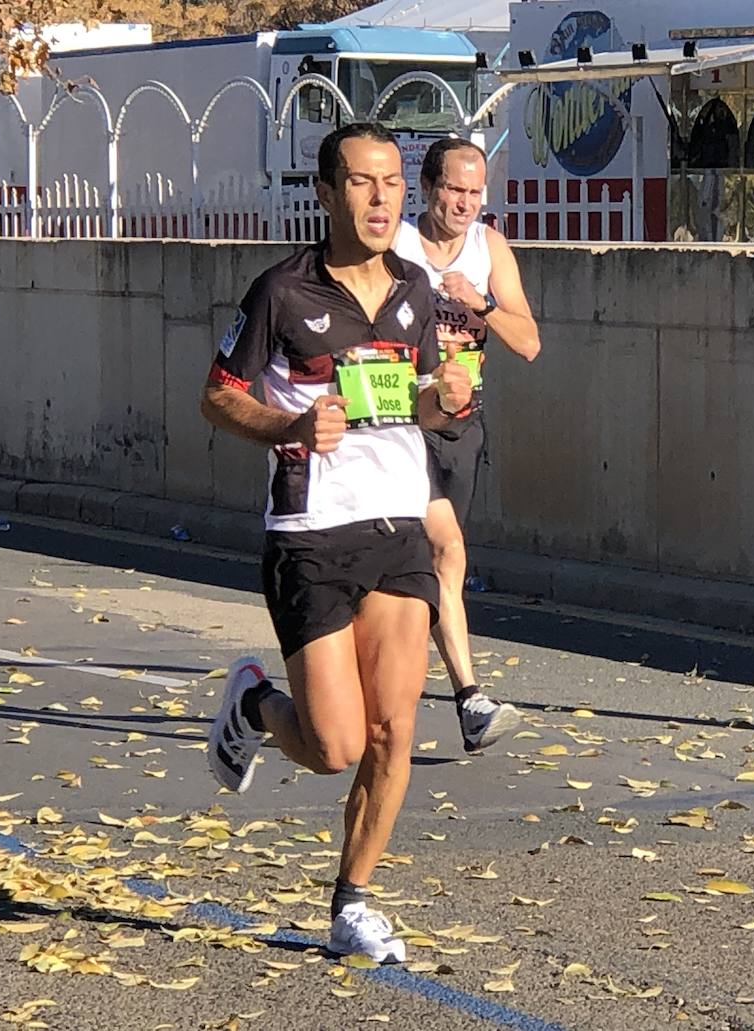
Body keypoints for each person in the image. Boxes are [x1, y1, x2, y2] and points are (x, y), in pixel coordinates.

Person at [200, 122, 473, 963]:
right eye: (362, 182)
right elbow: (218, 396)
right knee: (335, 745)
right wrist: (290, 422)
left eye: (392, 181)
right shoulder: (281, 293)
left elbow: (420, 402)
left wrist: (448, 395)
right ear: (325, 194)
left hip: (395, 523)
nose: (383, 196)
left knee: (394, 731)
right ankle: (252, 705)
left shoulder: (417, 294)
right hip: (311, 530)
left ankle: (351, 900)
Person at [391, 136, 541, 753]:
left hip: (460, 423)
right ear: (428, 187)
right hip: (397, 423)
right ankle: (469, 696)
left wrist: (477, 304)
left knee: (428, 568)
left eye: (475, 192)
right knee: (445, 551)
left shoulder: (488, 248)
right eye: (454, 189)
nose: (464, 203)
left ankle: (363, 682)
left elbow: (529, 341)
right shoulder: (395, 245)